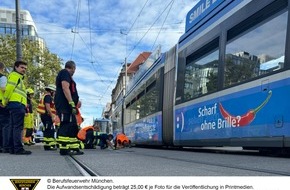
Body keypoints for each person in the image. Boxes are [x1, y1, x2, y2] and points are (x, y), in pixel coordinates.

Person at [2, 60, 31, 155]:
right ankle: (18, 148)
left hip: (16, 105)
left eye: (25, 68)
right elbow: (8, 90)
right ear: (16, 67)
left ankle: (12, 148)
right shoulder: (15, 76)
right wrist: (4, 101)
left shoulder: (18, 78)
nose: (24, 70)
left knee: (13, 127)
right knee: (18, 127)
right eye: (22, 67)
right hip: (17, 104)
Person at [55, 60, 84, 155]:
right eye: (74, 70)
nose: (74, 72)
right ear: (73, 68)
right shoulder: (64, 73)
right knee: (65, 124)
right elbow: (65, 87)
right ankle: (64, 148)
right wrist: (71, 103)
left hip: (68, 106)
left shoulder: (68, 76)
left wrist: (76, 101)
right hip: (64, 105)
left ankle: (73, 148)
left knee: (72, 126)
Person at [37, 84, 57, 150]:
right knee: (49, 130)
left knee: (48, 130)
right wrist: (52, 116)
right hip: (47, 116)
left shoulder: (45, 96)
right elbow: (48, 107)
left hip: (45, 115)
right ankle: (49, 145)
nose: (54, 93)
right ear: (51, 91)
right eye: (54, 92)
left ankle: (47, 145)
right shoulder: (48, 97)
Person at [0, 62, 9, 153]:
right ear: (2, 68)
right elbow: (3, 88)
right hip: (1, 104)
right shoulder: (2, 77)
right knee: (5, 126)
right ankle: (4, 146)